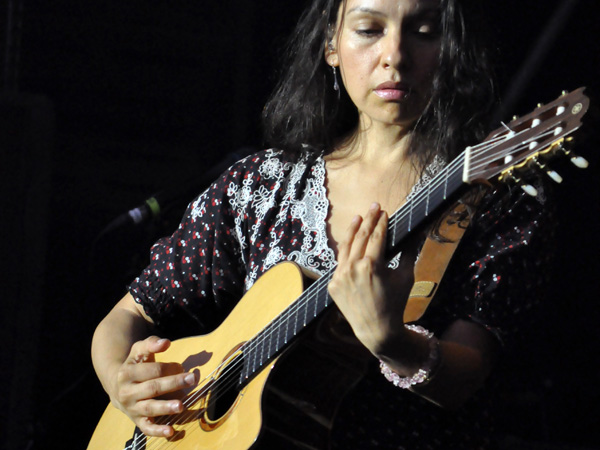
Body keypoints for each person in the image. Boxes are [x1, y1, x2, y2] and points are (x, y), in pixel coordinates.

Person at [91, 0, 553, 448]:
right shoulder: (261, 186)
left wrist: (393, 342)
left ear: (454, 47)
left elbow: (465, 380)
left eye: (425, 31)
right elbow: (127, 316)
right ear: (331, 45)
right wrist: (121, 382)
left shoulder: (495, 202)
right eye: (369, 30)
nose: (395, 55)